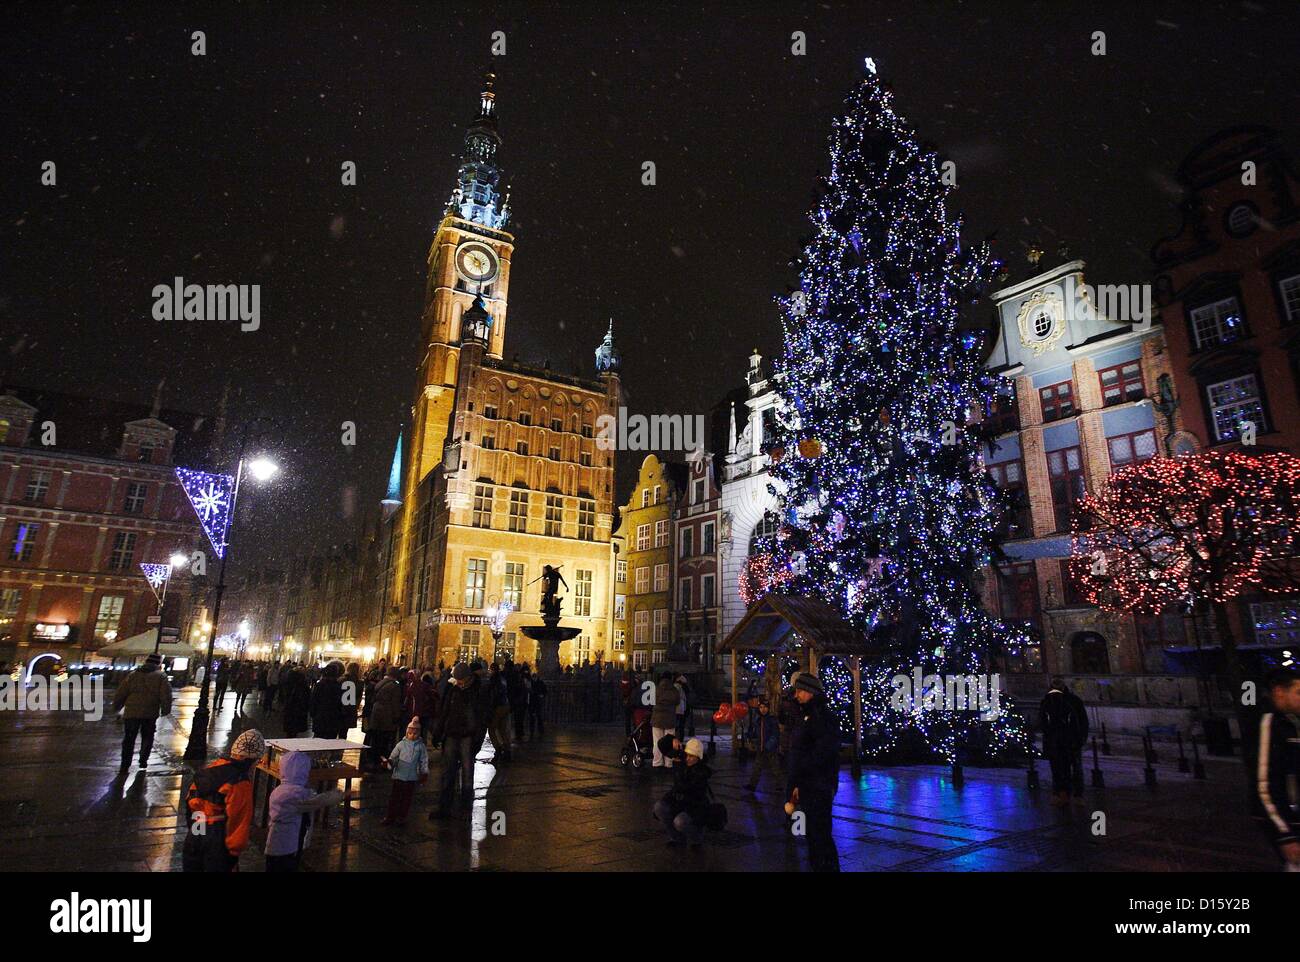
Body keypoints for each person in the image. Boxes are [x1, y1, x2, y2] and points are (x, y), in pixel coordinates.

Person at [182, 729, 265, 872]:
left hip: (196, 828)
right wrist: (233, 854)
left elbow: (190, 799)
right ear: (251, 760)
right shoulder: (239, 781)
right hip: (217, 834)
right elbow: (238, 819)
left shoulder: (211, 769)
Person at [786, 672, 840, 872]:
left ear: (811, 692)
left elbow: (822, 753)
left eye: (800, 691)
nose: (796, 695)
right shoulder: (804, 715)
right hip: (807, 784)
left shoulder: (822, 717)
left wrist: (802, 774)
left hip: (819, 784)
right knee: (811, 835)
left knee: (820, 836)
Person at [264, 750, 344, 872]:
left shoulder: (280, 790)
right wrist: (339, 795)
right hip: (287, 846)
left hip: (276, 843)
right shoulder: (296, 794)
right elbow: (318, 801)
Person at [1254, 669, 1300, 872]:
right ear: (1280, 692)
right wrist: (1285, 834)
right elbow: (1265, 785)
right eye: (1298, 692)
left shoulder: (1291, 722)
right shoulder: (1270, 724)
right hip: (1291, 822)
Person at [429, 663, 482, 818]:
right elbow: (444, 712)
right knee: (448, 771)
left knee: (467, 773)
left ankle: (465, 810)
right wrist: (438, 733)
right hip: (452, 733)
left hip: (468, 735)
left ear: (468, 678)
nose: (458, 682)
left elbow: (482, 717)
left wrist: (477, 739)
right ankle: (444, 808)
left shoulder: (477, 691)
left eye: (460, 680)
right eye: (457, 679)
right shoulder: (453, 691)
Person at [111, 652, 172, 770]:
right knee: (147, 737)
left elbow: (121, 692)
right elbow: (166, 695)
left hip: (132, 711)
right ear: (158, 663)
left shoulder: (133, 675)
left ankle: (125, 764)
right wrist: (165, 709)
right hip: (150, 712)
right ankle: (143, 760)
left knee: (129, 738)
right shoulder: (161, 677)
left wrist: (117, 706)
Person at [652, 736, 712, 848]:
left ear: (698, 758)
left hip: (694, 807)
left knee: (679, 821)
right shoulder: (684, 763)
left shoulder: (701, 771)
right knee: (659, 807)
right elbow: (675, 789)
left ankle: (697, 838)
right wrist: (673, 739)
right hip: (681, 802)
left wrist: (679, 767)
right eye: (687, 755)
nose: (688, 759)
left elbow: (684, 787)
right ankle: (677, 838)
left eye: (691, 756)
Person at [1039, 677, 1089, 805]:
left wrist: (1081, 737)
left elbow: (1082, 721)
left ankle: (1077, 794)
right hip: (1055, 740)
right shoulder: (1047, 701)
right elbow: (1043, 722)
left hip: (1071, 739)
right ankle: (1061, 793)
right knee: (1058, 768)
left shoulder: (1073, 701)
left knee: (1075, 768)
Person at [382, 718, 430, 826]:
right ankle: (391, 816)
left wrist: (424, 772)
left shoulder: (421, 747)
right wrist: (389, 763)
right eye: (410, 733)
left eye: (415, 733)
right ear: (407, 732)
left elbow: (424, 760)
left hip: (411, 778)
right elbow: (393, 757)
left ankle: (401, 817)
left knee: (406, 799)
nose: (412, 735)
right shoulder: (401, 745)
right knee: (394, 798)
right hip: (399, 776)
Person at [366, 666, 403, 769]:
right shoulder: (394, 686)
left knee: (376, 738)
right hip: (387, 714)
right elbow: (395, 703)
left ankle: (374, 760)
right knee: (384, 740)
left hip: (376, 712)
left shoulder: (381, 683)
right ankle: (382, 762)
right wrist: (396, 716)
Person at [745, 697, 782, 793]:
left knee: (775, 767)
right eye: (761, 707)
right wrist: (750, 736)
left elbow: (775, 735)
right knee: (757, 767)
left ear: (768, 708)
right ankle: (752, 785)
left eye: (765, 707)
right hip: (760, 747)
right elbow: (755, 731)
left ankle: (779, 785)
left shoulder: (772, 720)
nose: (763, 709)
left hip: (770, 748)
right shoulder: (758, 719)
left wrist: (768, 746)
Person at [310, 662, 347, 740]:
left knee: (318, 741)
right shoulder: (339, 687)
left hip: (320, 717)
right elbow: (342, 704)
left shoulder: (319, 685)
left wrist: (313, 714)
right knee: (330, 741)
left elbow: (313, 701)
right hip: (333, 719)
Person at [651, 672, 680, 768]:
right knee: (670, 742)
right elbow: (677, 701)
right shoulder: (674, 690)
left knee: (657, 741)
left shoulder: (656, 689)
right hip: (670, 719)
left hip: (657, 719)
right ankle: (669, 763)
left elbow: (652, 700)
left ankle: (657, 762)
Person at [486, 663, 512, 761]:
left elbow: (493, 695)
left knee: (492, 729)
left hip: (498, 707)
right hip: (505, 705)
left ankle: (498, 749)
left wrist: (490, 708)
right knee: (502, 730)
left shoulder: (494, 680)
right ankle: (507, 750)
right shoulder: (502, 679)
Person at [280, 665, 311, 738]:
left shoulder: (289, 680)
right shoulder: (302, 683)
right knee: (294, 730)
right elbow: (306, 696)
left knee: (290, 730)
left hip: (290, 708)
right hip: (298, 709)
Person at [528, 669, 547, 737]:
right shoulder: (539, 683)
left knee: (536, 717)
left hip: (535, 701)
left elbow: (544, 691)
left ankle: (535, 731)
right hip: (535, 701)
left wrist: (542, 695)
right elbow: (545, 691)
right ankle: (537, 731)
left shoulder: (533, 683)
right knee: (536, 717)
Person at [674, 674, 690, 739]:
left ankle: (677, 737)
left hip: (676, 709)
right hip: (683, 708)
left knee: (676, 725)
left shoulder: (676, 686)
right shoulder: (685, 688)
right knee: (681, 725)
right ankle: (681, 738)